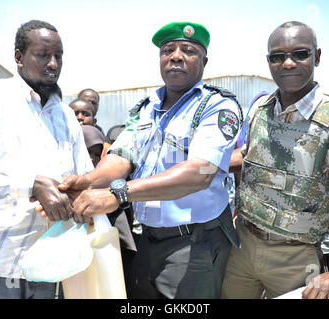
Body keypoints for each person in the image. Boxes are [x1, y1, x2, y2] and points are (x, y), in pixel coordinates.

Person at [56, 21, 242, 299]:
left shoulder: (217, 106)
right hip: (147, 239)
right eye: (168, 50)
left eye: (188, 50)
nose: (176, 56)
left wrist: (119, 194)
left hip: (195, 244)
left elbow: (199, 173)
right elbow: (122, 157)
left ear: (205, 60)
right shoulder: (146, 109)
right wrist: (87, 181)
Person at [222, 21, 329, 299]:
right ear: (269, 62)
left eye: (299, 54)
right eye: (277, 57)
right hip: (243, 246)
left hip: (295, 258)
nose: (287, 63)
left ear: (317, 57)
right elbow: (249, 158)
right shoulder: (260, 111)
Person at [0, 20, 92, 299]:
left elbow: (85, 174)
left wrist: (79, 192)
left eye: (58, 56)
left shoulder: (66, 115)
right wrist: (29, 186)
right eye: (43, 55)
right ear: (19, 57)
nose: (53, 64)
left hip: (50, 265)